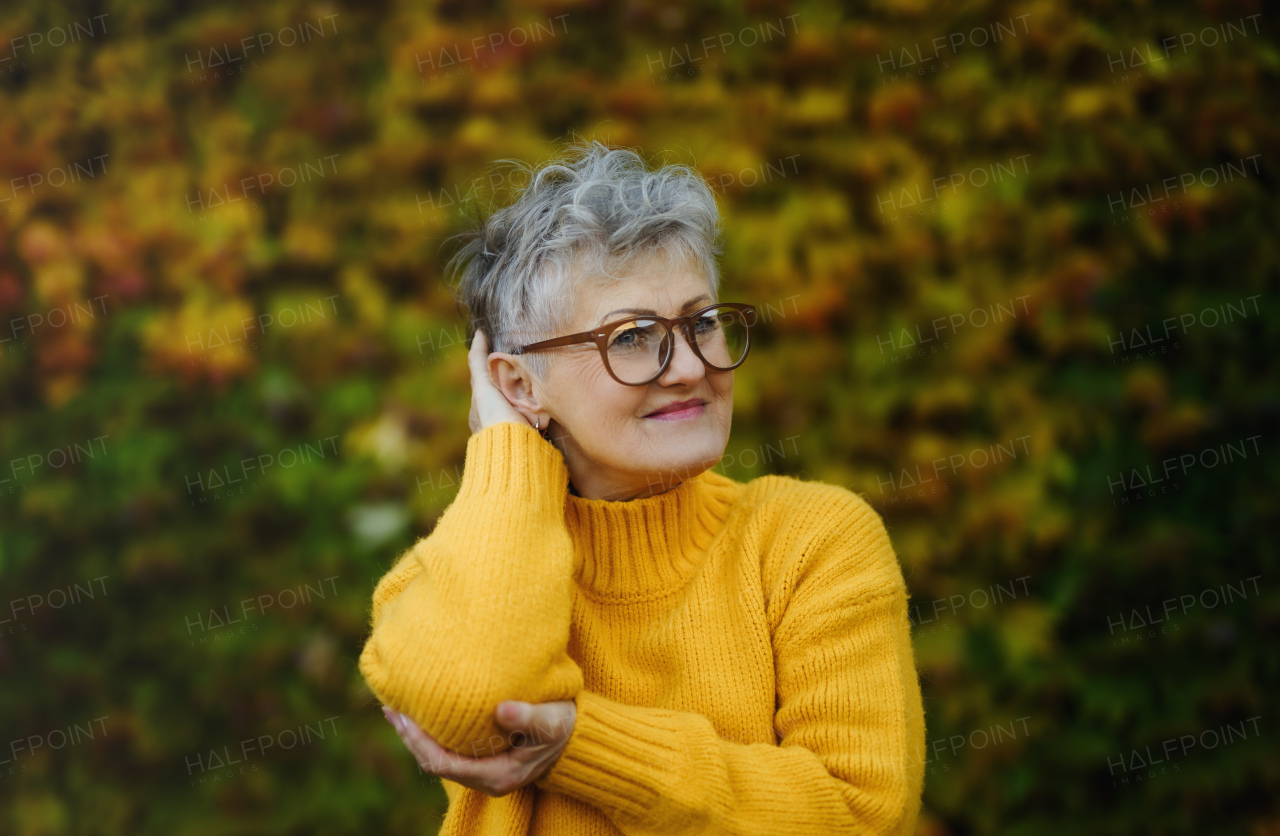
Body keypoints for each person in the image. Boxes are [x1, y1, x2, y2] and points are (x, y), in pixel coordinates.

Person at [359, 141, 925, 834]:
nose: (690, 366)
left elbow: (858, 815)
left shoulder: (813, 540)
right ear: (517, 384)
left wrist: (578, 744)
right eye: (631, 337)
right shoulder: (439, 581)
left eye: (703, 323)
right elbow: (477, 699)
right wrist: (505, 447)